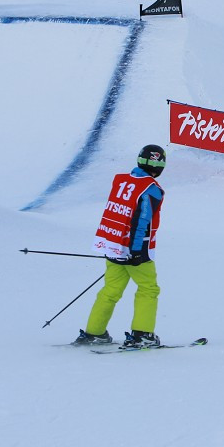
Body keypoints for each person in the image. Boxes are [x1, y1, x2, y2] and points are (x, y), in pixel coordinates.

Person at [76, 144, 167, 347]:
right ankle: (142, 334)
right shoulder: (151, 189)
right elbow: (141, 222)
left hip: (111, 244)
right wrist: (137, 252)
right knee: (148, 288)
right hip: (134, 249)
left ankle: (94, 332)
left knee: (111, 290)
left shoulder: (121, 181)